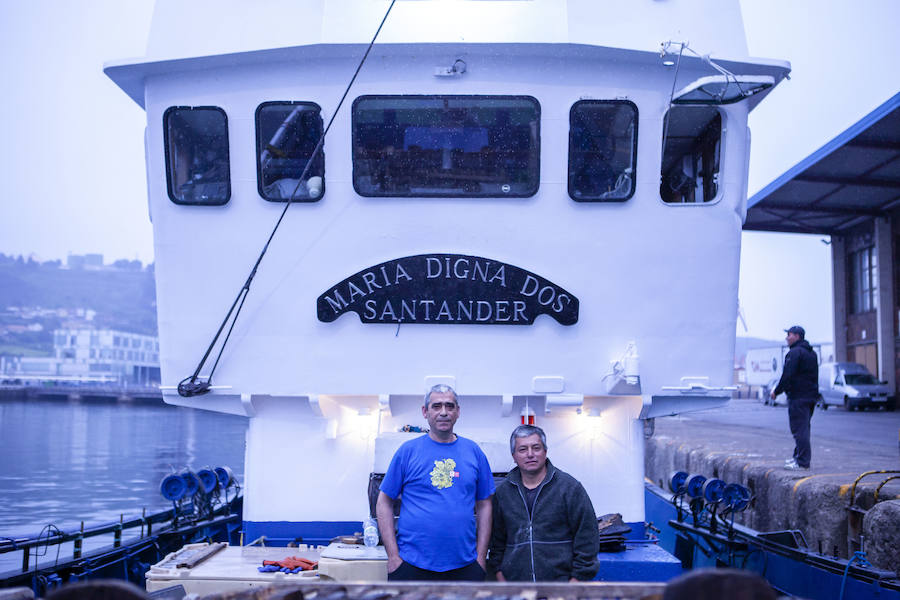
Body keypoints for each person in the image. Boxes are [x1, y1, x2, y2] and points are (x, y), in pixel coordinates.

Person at [376, 384, 495, 581]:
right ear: (425, 412)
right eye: (437, 406)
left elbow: (485, 505)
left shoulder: (473, 452)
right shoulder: (408, 452)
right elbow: (384, 501)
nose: (443, 412)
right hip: (411, 564)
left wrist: (481, 557)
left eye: (449, 406)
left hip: (465, 566)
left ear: (457, 412)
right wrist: (393, 557)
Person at [488, 424, 599, 581]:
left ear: (545, 452)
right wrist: (501, 577)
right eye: (523, 449)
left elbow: (587, 539)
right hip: (516, 587)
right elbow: (497, 542)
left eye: (536, 448)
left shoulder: (570, 488)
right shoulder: (503, 493)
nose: (530, 454)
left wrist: (575, 583)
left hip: (561, 587)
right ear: (513, 456)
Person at [771, 325, 819, 470]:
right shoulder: (811, 353)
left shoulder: (794, 353)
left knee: (799, 430)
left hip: (798, 397)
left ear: (797, 336)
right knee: (804, 428)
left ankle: (802, 462)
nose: (787, 337)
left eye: (789, 334)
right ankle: (798, 458)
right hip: (810, 396)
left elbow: (788, 376)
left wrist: (776, 391)